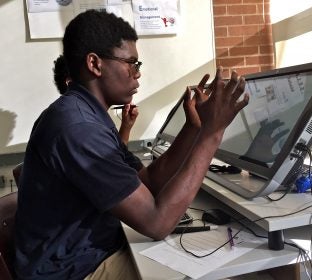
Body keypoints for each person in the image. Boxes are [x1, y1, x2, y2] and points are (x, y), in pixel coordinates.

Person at [14, 9, 249, 280]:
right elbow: (156, 222)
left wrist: (195, 127)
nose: (138, 75)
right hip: (72, 271)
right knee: (228, 270)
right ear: (95, 64)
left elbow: (146, 181)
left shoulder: (88, 114)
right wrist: (213, 133)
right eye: (132, 63)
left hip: (87, 255)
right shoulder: (78, 128)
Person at [52, 54, 138, 145]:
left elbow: (116, 155)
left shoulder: (78, 112)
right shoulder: (84, 125)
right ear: (69, 82)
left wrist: (126, 127)